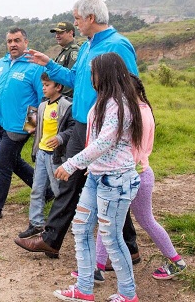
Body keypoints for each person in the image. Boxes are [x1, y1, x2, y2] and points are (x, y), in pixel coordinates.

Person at [14, 0, 140, 260]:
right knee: (72, 180)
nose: (75, 23)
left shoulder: (118, 45)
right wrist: (48, 63)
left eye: (77, 18)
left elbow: (132, 87)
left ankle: (127, 246)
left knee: (107, 182)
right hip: (82, 124)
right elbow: (73, 79)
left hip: (104, 128)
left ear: (91, 18)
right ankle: (53, 239)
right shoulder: (86, 47)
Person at [72, 74, 187, 283]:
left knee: (131, 220)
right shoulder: (144, 110)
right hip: (139, 173)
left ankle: (175, 260)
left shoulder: (136, 114)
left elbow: (132, 149)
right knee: (110, 220)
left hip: (132, 174)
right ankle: (97, 268)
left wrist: (108, 169)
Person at [53, 52, 143, 302]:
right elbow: (97, 140)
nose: (90, 78)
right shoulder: (105, 100)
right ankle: (84, 288)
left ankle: (128, 294)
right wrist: (88, 167)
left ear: (104, 74)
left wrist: (72, 164)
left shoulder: (119, 104)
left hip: (114, 181)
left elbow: (104, 141)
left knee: (112, 238)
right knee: (81, 227)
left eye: (93, 73)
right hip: (97, 176)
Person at [0, 27, 47, 224]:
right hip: (0, 121)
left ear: (26, 42)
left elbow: (42, 98)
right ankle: (47, 191)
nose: (13, 44)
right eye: (10, 41)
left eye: (17, 40)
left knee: (2, 164)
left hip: (19, 127)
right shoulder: (2, 63)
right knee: (13, 161)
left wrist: (34, 125)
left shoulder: (34, 66)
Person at [18, 73, 75, 238]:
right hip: (42, 153)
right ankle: (36, 223)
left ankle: (67, 222)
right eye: (43, 84)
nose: (43, 88)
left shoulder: (66, 105)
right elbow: (32, 122)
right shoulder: (42, 104)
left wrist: (60, 138)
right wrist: (30, 126)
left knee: (59, 190)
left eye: (47, 85)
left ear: (58, 87)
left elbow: (73, 128)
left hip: (56, 156)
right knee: (37, 189)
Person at [50, 21, 80, 97]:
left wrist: (61, 98)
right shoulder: (64, 51)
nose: (57, 36)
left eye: (60, 33)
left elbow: (71, 79)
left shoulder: (74, 51)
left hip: (67, 100)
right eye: (56, 33)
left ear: (70, 33)